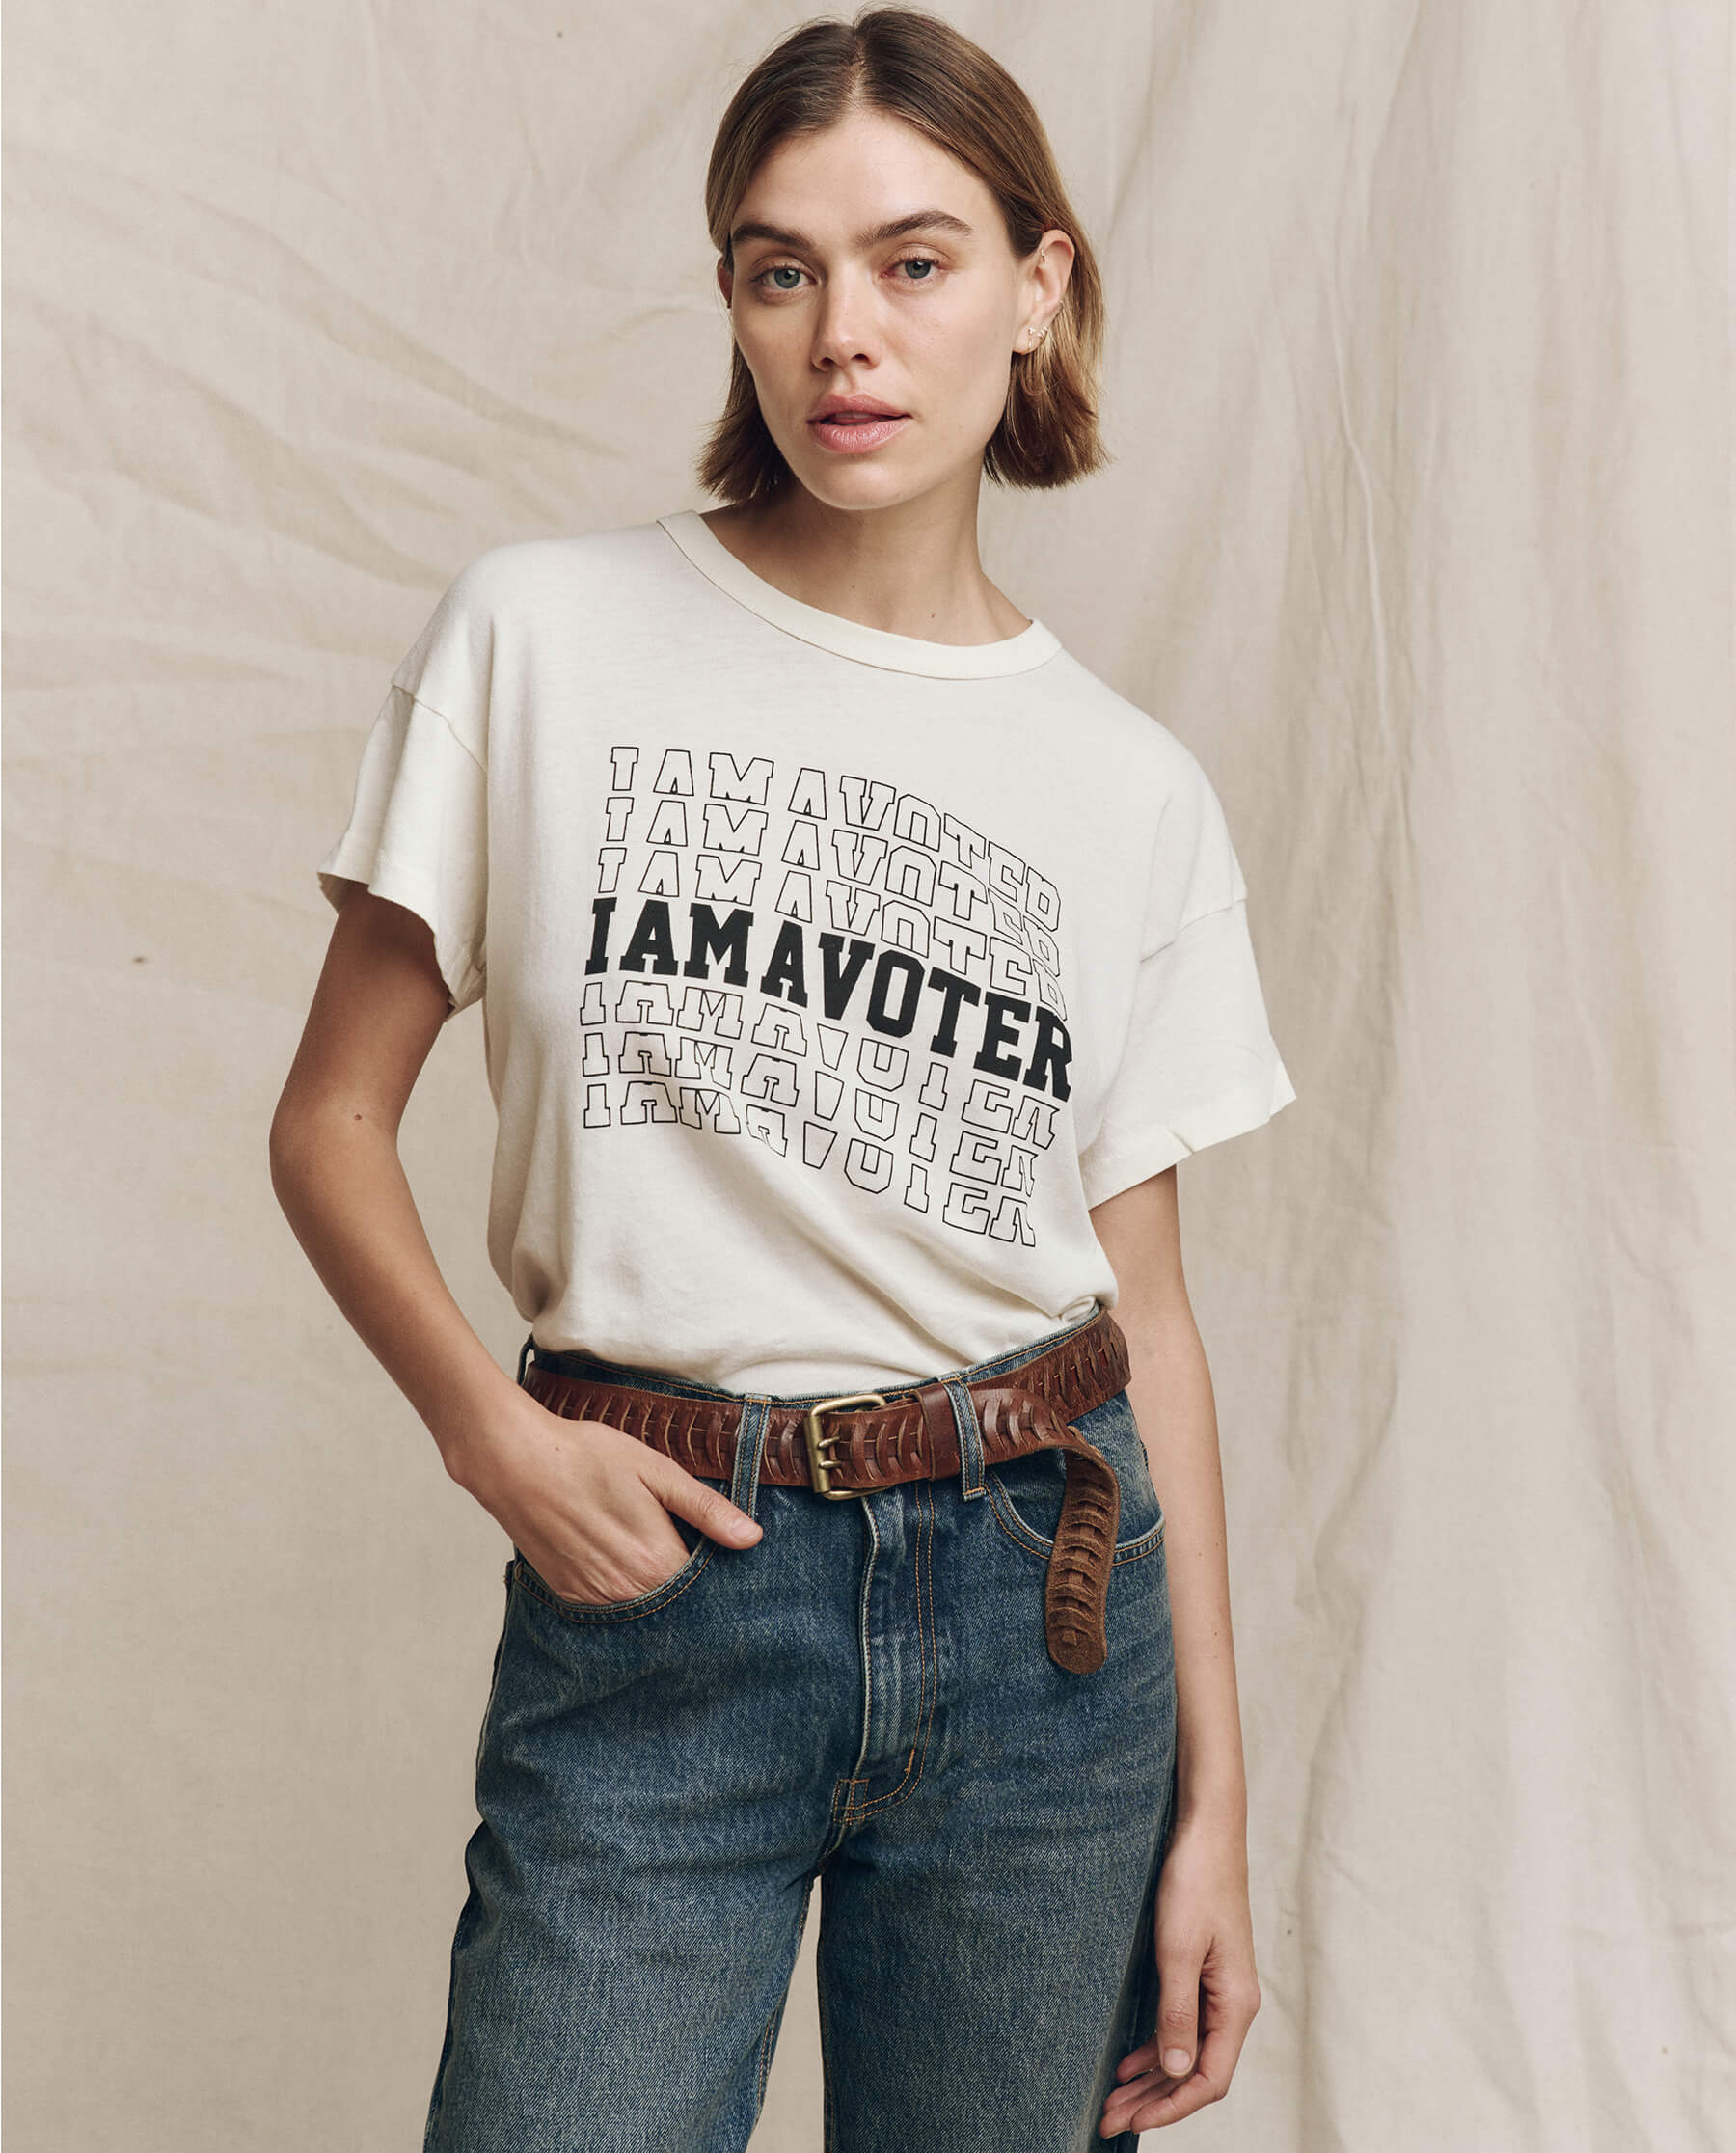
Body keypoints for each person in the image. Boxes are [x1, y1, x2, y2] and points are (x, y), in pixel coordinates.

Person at [269, 8, 1295, 2147]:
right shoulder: (541, 638)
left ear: (1042, 285)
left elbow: (1153, 1317)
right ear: (733, 300)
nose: (848, 332)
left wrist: (1219, 1809)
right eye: (779, 265)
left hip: (1045, 1610)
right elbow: (328, 1119)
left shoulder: (1129, 793)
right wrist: (489, 1435)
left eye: (917, 261)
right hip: (661, 1593)